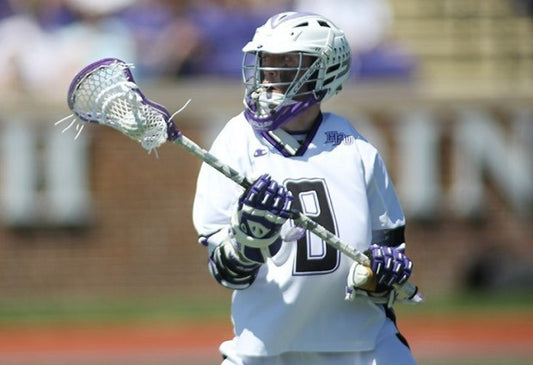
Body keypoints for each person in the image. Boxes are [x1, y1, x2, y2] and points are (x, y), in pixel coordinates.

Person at [192, 11, 417, 365]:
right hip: (264, 347)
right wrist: (250, 240)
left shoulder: (355, 149)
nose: (270, 75)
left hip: (362, 346)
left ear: (322, 69)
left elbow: (382, 278)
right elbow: (227, 273)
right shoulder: (233, 143)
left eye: (286, 63)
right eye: (267, 62)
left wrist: (382, 273)